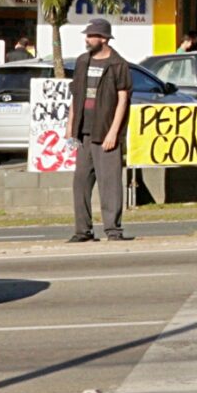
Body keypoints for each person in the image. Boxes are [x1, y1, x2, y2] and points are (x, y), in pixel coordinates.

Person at [66, 19, 134, 244]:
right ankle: (82, 231)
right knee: (81, 182)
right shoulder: (82, 61)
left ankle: (113, 230)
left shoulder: (118, 64)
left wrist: (114, 132)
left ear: (103, 38)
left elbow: (123, 99)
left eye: (91, 35)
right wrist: (70, 127)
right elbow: (76, 95)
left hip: (105, 131)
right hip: (83, 132)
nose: (87, 39)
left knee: (110, 183)